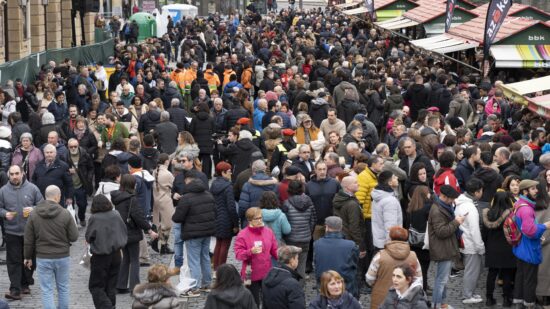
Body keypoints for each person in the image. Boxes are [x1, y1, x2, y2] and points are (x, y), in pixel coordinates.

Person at [23, 185, 78, 309]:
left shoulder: (34, 214)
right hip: (62, 256)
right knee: (63, 288)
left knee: (47, 290)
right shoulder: (65, 213)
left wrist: (27, 257)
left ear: (45, 196)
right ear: (57, 197)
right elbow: (74, 237)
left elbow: (28, 239)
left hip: (43, 257)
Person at [0, 165, 43, 300]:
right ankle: (15, 289)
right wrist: (5, 213)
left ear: (22, 173)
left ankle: (25, 283)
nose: (14, 176)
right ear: (8, 175)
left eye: (17, 173)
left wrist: (33, 209)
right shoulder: (3, 191)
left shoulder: (33, 188)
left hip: (30, 232)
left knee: (30, 260)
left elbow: (42, 206)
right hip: (11, 231)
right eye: (12, 174)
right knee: (13, 261)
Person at [111, 174, 158, 294]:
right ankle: (135, 287)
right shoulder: (132, 199)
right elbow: (138, 217)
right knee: (134, 259)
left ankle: (121, 285)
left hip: (120, 232)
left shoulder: (117, 197)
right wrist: (149, 230)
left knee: (126, 258)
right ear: (131, 184)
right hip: (131, 232)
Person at [171, 175, 216, 297]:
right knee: (205, 257)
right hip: (207, 232)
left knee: (194, 261)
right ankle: (207, 284)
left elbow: (177, 218)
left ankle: (195, 288)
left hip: (193, 234)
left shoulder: (186, 198)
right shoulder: (209, 195)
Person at [512, 179, 550, 308]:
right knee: (530, 280)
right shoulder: (527, 209)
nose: (536, 191)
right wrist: (544, 226)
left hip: (520, 248)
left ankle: (518, 303)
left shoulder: (519, 204)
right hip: (529, 250)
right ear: (525, 191)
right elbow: (530, 231)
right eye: (533, 189)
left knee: (520, 277)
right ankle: (529, 304)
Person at [86, 194, 128, 309]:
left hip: (101, 255)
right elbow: (124, 230)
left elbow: (89, 236)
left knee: (96, 286)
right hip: (116, 254)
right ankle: (111, 305)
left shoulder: (95, 218)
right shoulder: (116, 214)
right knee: (111, 285)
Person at [366, 226, 422, 309]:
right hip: (405, 301)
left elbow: (369, 278)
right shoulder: (413, 256)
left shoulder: (380, 256)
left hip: (381, 298)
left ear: (390, 237)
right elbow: (418, 280)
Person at [428, 185, 465, 309]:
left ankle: (441, 304)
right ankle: (437, 305)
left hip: (445, 247)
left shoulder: (445, 206)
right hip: (442, 248)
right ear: (444, 197)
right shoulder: (437, 210)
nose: (453, 201)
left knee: (443, 279)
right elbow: (441, 232)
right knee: (441, 280)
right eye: (452, 198)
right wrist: (456, 222)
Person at [234, 207, 278, 306]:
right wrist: (250, 251)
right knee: (253, 303)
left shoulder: (268, 232)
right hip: (250, 273)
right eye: (256, 219)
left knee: (269, 300)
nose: (259, 221)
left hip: (266, 271)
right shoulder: (242, 234)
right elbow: (238, 254)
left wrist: (284, 256)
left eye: (260, 218)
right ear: (249, 220)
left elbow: (274, 250)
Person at [454, 178, 485, 304]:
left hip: (463, 241)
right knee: (472, 271)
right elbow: (474, 230)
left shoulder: (461, 202)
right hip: (470, 244)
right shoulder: (470, 207)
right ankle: (467, 295)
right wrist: (480, 247)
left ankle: (470, 292)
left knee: (470, 270)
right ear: (477, 192)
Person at [482, 191, 515, 307]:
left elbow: (484, 234)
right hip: (507, 248)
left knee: (491, 274)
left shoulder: (488, 214)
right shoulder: (511, 215)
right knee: (507, 275)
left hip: (492, 248)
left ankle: (489, 298)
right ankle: (506, 299)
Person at [314, 216, 359, 298]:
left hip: (324, 286)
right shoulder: (351, 245)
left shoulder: (317, 244)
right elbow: (355, 265)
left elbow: (316, 264)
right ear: (341, 227)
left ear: (326, 227)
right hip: (345, 286)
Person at [210, 162, 239, 270]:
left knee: (218, 243)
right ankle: (221, 269)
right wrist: (236, 224)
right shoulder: (228, 187)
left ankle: (216, 268)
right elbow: (231, 207)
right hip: (226, 219)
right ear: (223, 173)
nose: (231, 173)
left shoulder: (213, 185)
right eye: (229, 171)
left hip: (216, 217)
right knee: (225, 245)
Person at [238, 159, 279, 227]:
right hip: (270, 222)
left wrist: (242, 218)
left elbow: (243, 206)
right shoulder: (274, 184)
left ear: (253, 169)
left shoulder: (247, 185)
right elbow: (277, 203)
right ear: (265, 169)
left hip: (252, 221)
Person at [407, 185, 432, 291]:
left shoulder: (411, 207)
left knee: (416, 270)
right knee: (424, 271)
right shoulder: (428, 207)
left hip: (413, 243)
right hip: (424, 243)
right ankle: (423, 294)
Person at [65, 138, 94, 226]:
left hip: (81, 184)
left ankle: (82, 217)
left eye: (75, 146)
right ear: (68, 147)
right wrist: (68, 171)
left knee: (83, 205)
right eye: (71, 147)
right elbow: (62, 169)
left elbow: (91, 168)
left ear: (78, 146)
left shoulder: (84, 154)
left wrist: (88, 178)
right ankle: (74, 219)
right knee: (70, 205)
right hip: (69, 185)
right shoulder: (64, 156)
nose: (73, 148)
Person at [371, 171, 402, 251]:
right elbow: (390, 227)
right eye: (394, 177)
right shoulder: (390, 201)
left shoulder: (379, 195)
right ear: (390, 183)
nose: (397, 178)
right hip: (387, 245)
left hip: (379, 241)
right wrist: (391, 246)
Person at [152, 154, 175, 254]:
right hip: (165, 200)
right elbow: (173, 186)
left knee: (162, 223)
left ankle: (162, 245)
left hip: (157, 199)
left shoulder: (155, 171)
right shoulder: (167, 174)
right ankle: (161, 243)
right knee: (168, 224)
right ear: (166, 161)